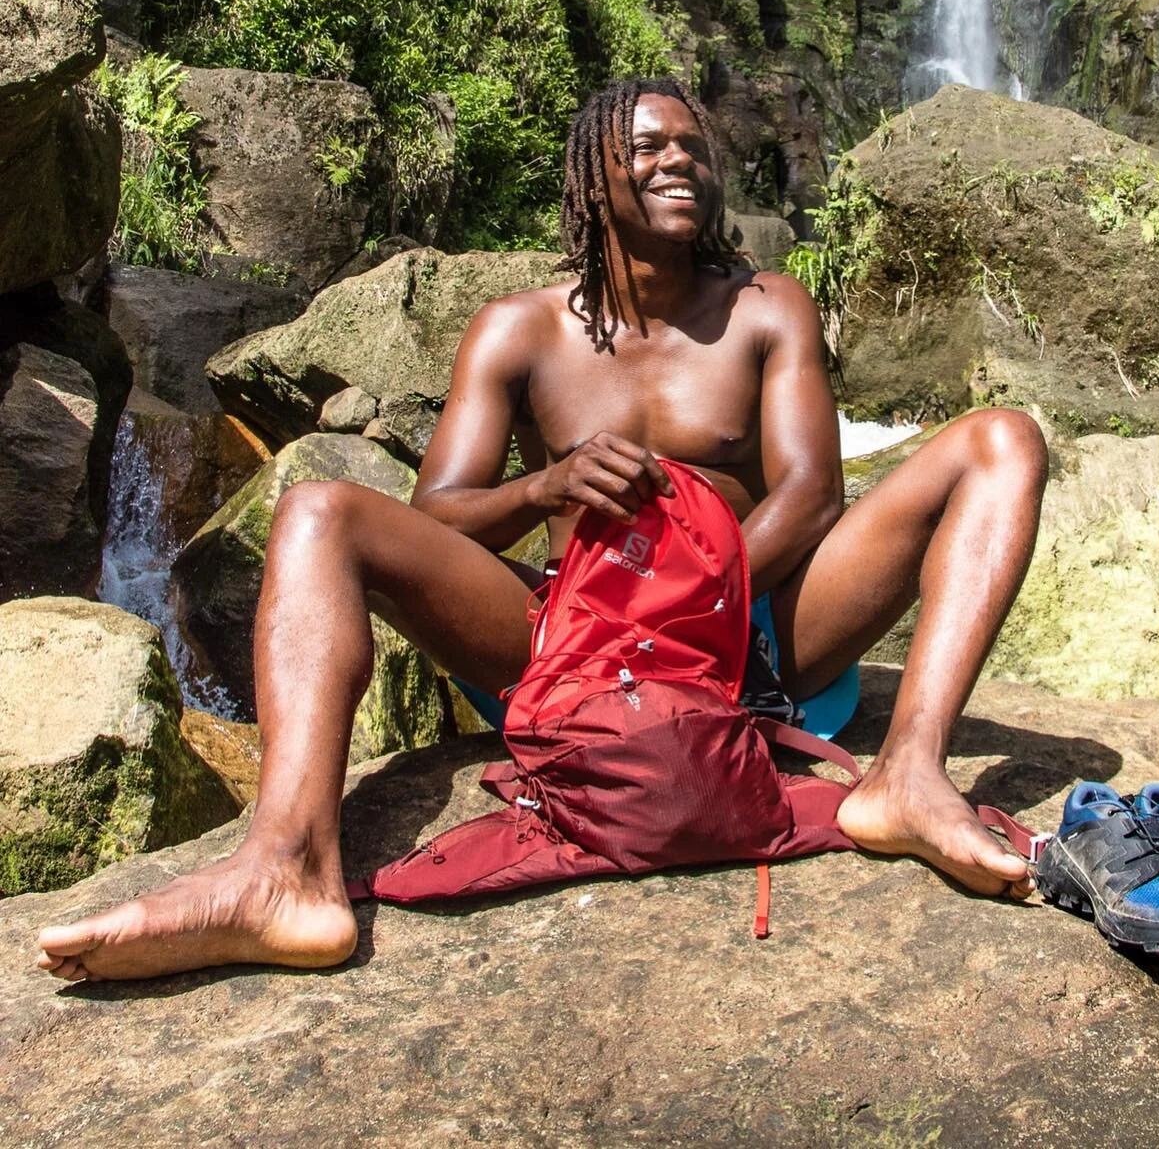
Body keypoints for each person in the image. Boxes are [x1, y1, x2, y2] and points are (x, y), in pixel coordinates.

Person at [37, 77, 1048, 983]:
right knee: (315, 511)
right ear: (591, 176)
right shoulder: (518, 330)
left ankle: (909, 777)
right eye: (648, 148)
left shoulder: (765, 307)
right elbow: (440, 515)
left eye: (692, 148)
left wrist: (690, 603)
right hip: (570, 643)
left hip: (751, 632)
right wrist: (546, 487)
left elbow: (812, 497)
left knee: (1004, 440)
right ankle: (285, 870)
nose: (678, 163)